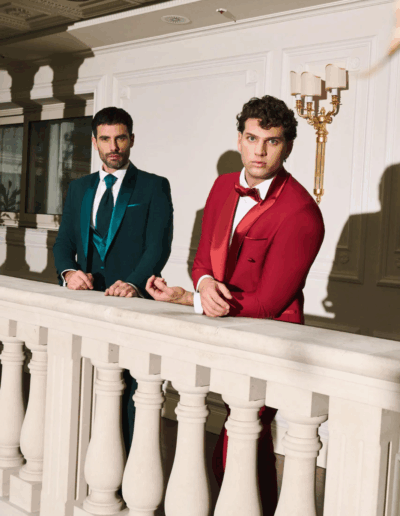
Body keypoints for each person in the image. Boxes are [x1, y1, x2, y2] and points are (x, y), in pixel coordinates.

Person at [146, 95, 324, 515]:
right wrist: (203, 282)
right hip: (220, 331)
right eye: (252, 138)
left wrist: (190, 299)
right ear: (239, 139)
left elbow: (268, 303)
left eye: (272, 141)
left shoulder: (302, 213)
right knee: (235, 445)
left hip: (267, 341)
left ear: (288, 146)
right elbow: (203, 260)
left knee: (239, 446)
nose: (260, 151)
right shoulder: (222, 185)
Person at [54, 106, 173, 447]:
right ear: (95, 142)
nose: (113, 146)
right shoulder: (79, 188)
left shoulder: (153, 186)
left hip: (134, 305)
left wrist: (133, 282)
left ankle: (130, 470)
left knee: (133, 396)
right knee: (85, 392)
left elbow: (157, 247)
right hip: (86, 305)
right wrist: (69, 272)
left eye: (120, 138)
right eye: (105, 139)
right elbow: (64, 243)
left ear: (131, 139)